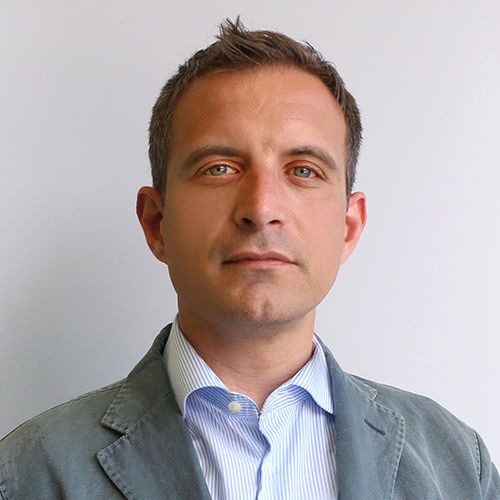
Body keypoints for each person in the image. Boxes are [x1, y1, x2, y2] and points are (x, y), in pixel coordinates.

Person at [0, 18, 498, 500]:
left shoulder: (457, 465)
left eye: (303, 170)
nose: (261, 209)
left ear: (349, 227)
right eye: (219, 168)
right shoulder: (26, 474)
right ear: (157, 223)